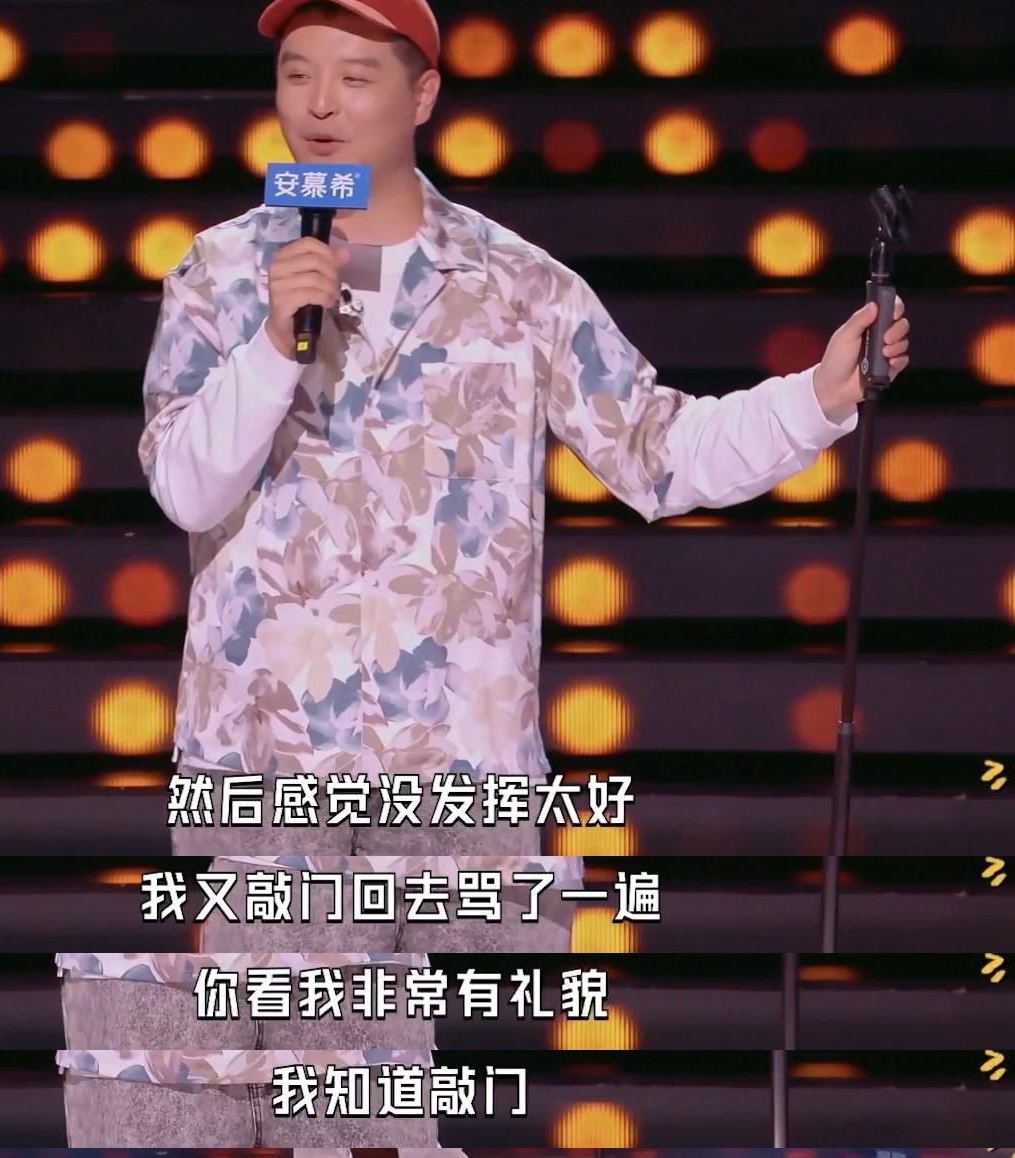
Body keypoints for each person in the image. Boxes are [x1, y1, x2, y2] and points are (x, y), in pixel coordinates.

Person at [138, 0, 910, 888]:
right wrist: (275, 344)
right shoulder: (220, 274)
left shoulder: (520, 286)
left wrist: (819, 396)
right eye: (297, 73)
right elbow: (187, 490)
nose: (319, 104)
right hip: (261, 764)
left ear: (422, 96)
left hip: (455, 771)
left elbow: (657, 451)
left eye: (354, 78)